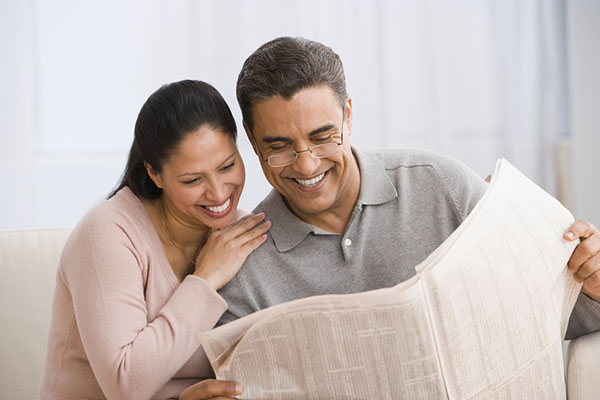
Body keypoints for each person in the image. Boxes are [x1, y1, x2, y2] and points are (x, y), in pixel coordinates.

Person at [218, 36, 600, 339]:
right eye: (279, 146)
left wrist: (593, 282)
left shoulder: (440, 184)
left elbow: (552, 314)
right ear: (252, 141)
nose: (307, 164)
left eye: (322, 137)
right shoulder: (246, 264)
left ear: (348, 114)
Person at [40, 80, 270, 399]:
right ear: (154, 173)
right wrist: (205, 279)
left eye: (227, 166)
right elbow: (125, 383)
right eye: (192, 179)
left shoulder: (240, 236)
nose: (219, 193)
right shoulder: (108, 231)